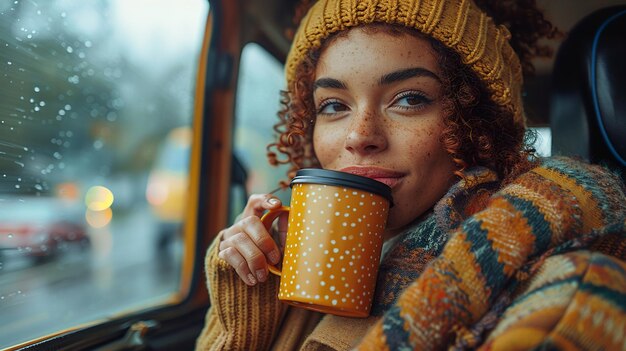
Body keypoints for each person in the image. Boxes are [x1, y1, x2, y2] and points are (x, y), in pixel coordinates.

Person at [196, 0, 626, 350]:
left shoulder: (564, 290)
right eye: (333, 105)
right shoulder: (299, 263)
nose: (360, 136)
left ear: (477, 124)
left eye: (409, 99)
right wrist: (250, 294)